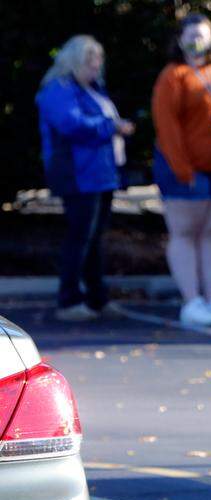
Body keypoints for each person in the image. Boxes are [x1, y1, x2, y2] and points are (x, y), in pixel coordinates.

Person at [151, 14, 211, 326]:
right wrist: (182, 168)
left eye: (203, 35)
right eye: (192, 35)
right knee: (184, 233)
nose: (198, 41)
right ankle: (191, 301)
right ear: (179, 39)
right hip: (187, 170)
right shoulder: (173, 76)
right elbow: (167, 127)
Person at [36, 35, 134, 322]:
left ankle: (96, 297)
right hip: (78, 173)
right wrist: (111, 126)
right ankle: (69, 299)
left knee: (93, 238)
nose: (95, 71)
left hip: (100, 173)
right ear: (75, 63)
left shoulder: (90, 88)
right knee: (79, 237)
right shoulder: (59, 89)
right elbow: (70, 124)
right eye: (90, 65)